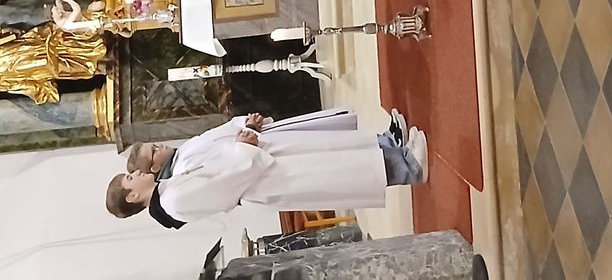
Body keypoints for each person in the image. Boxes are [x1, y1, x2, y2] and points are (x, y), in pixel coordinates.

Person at [106, 109, 427, 228]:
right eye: (131, 177)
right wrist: (243, 149)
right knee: (345, 170)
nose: (136, 173)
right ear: (133, 195)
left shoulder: (169, 191)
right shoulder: (173, 201)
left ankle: (400, 156)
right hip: (263, 178)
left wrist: (242, 138)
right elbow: (220, 186)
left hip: (263, 170)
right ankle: (410, 168)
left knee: (342, 160)